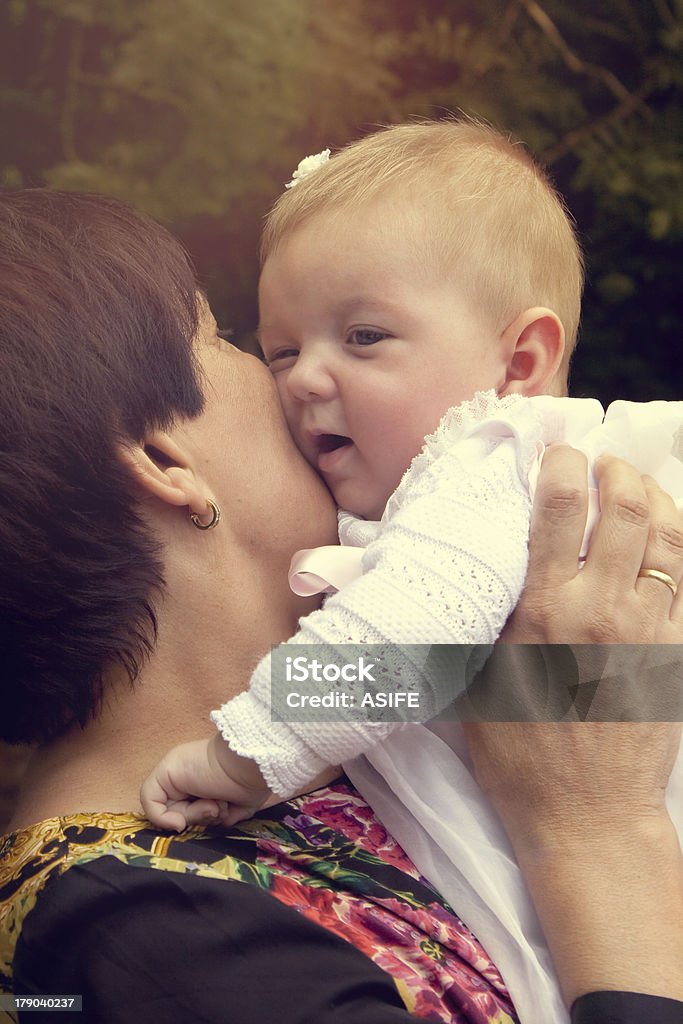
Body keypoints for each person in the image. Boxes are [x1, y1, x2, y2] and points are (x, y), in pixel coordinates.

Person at [0, 189, 682, 1024]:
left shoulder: (330, 768)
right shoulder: (148, 940)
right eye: (231, 341)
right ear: (162, 459)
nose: (293, 380)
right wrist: (601, 830)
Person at [141, 121, 683, 900]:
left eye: (363, 336)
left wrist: (248, 753)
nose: (301, 379)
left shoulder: (488, 453)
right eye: (283, 350)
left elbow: (412, 631)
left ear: (519, 364)